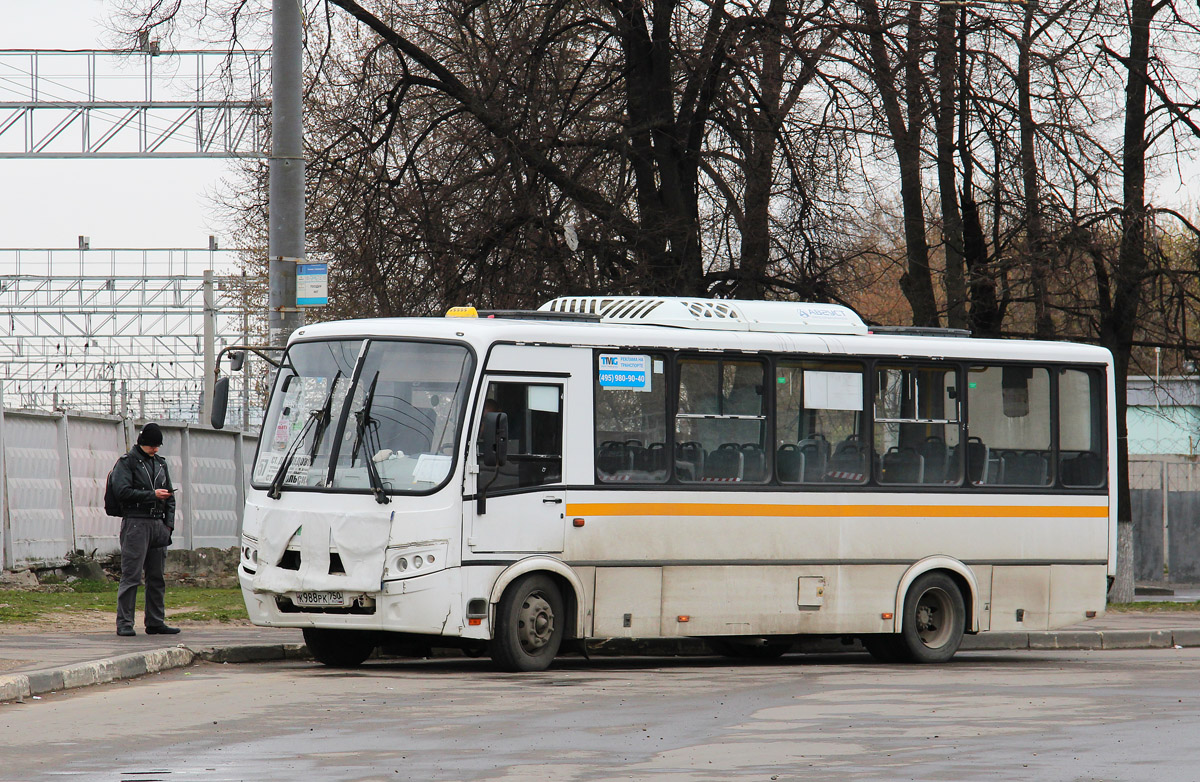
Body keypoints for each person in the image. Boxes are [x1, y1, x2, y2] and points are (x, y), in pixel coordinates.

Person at [110, 422, 179, 637]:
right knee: (131, 576)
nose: (156, 449)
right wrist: (152, 495)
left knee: (157, 577)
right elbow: (121, 491)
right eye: (152, 445)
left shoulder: (160, 464)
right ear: (142, 443)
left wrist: (168, 525)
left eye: (158, 445)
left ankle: (156, 622)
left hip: (158, 525)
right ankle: (125, 624)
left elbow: (171, 497)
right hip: (136, 523)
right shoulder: (126, 463)